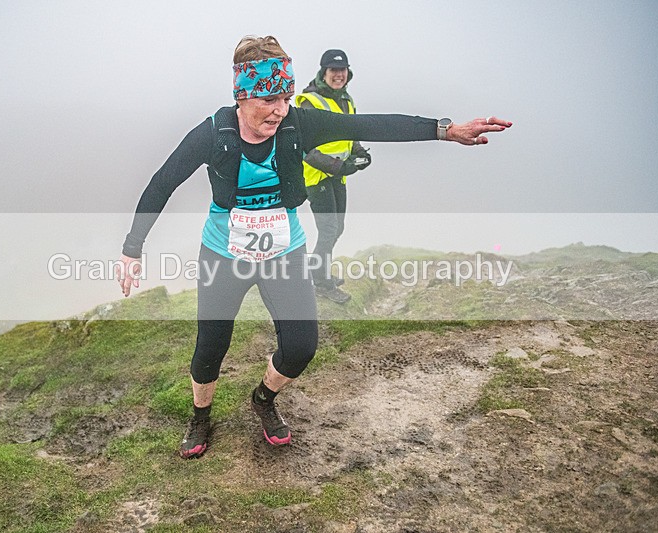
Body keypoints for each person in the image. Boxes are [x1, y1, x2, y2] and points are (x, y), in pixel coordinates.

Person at [116, 35, 512, 459]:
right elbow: (163, 182)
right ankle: (200, 415)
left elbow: (370, 125)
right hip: (224, 253)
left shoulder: (297, 123)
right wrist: (132, 248)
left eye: (285, 96)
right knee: (211, 345)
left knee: (302, 346)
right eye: (268, 99)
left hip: (284, 252)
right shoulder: (213, 133)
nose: (280, 109)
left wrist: (445, 130)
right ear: (242, 96)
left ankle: (263, 399)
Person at [296, 49, 370, 304]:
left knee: (337, 228)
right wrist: (339, 167)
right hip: (318, 178)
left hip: (338, 176)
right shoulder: (308, 101)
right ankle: (322, 283)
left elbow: (351, 134)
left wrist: (360, 153)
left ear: (348, 73)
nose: (338, 75)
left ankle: (318, 271)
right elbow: (305, 148)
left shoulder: (347, 100)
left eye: (342, 70)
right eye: (333, 71)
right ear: (323, 73)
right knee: (328, 230)